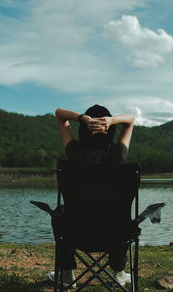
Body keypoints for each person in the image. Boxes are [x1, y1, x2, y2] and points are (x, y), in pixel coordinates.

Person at [48, 104, 135, 287]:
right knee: (122, 215)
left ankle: (67, 275)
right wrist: (112, 120)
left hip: (77, 234)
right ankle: (119, 272)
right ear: (110, 131)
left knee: (59, 212)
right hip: (114, 236)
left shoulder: (74, 154)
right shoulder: (118, 155)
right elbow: (131, 120)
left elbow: (59, 114)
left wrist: (83, 118)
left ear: (83, 131)